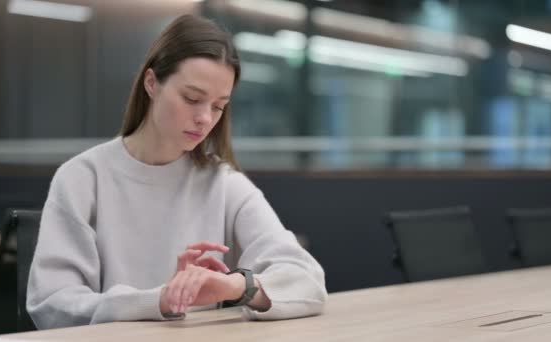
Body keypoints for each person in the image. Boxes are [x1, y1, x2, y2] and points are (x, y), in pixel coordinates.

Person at [27, 14, 327, 329]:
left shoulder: (222, 182)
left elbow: (307, 281)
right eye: (192, 98)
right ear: (152, 83)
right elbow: (52, 304)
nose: (204, 118)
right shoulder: (82, 178)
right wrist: (160, 300)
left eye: (218, 106)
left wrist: (238, 285)